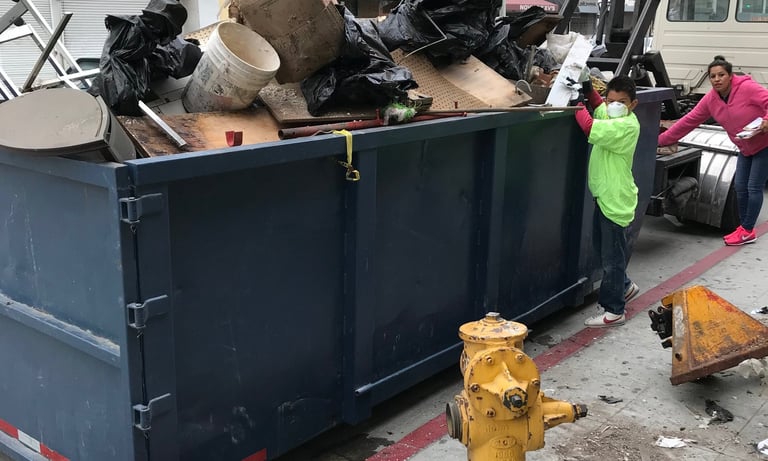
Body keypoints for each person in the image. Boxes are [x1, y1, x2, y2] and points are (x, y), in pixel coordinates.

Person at [659, 56, 768, 246]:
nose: (717, 79)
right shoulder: (711, 99)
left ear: (730, 76)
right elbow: (689, 121)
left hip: (764, 144)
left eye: (721, 75)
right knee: (740, 188)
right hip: (744, 146)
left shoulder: (747, 88)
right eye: (713, 76)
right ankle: (743, 229)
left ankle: (748, 230)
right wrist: (659, 141)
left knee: (753, 187)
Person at [574, 75, 641, 327]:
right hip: (605, 196)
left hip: (615, 200)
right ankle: (624, 286)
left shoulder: (626, 126)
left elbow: (590, 127)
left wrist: (575, 105)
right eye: (610, 100)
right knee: (607, 250)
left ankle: (614, 310)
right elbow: (600, 109)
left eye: (621, 102)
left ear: (632, 104)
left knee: (612, 259)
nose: (613, 105)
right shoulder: (612, 115)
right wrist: (589, 91)